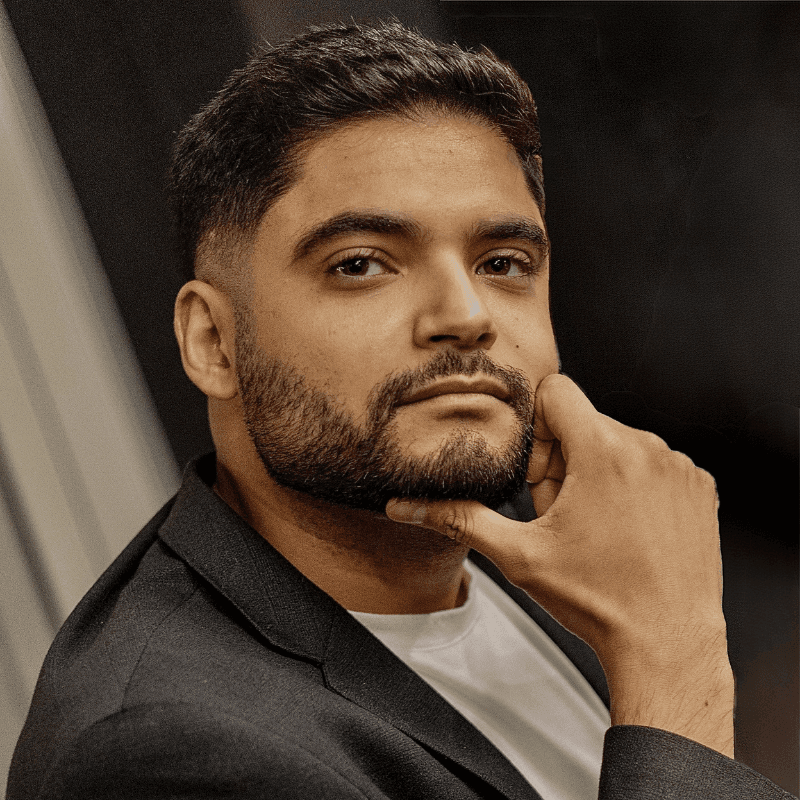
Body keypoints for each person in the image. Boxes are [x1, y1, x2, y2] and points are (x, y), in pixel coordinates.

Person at [6, 20, 794, 800]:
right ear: (214, 341)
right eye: (360, 265)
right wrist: (674, 657)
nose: (466, 314)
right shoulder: (165, 751)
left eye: (503, 262)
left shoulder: (548, 548)